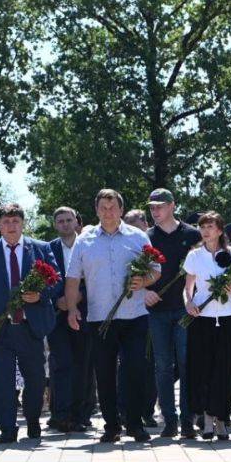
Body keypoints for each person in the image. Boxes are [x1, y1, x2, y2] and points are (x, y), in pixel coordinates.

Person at [65, 189, 160, 443]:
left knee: (135, 371)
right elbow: (73, 277)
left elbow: (155, 270)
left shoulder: (138, 237)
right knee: (104, 373)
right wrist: (73, 308)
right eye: (103, 208)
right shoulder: (84, 241)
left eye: (113, 207)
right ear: (96, 211)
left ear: (120, 210)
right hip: (99, 318)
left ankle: (135, 424)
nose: (108, 212)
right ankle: (111, 425)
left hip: (134, 316)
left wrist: (144, 280)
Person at [0, 203, 59, 443]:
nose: (11, 226)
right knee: (2, 381)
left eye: (16, 222)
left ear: (23, 223)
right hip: (0, 327)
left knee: (36, 379)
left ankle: (32, 422)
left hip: (32, 325)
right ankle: (7, 429)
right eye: (6, 222)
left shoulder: (40, 249)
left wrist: (41, 294)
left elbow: (56, 281)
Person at [143, 188, 200, 438]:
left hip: (185, 310)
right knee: (163, 367)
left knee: (188, 365)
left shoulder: (192, 234)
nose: (156, 211)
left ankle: (188, 420)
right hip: (157, 310)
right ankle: (169, 420)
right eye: (152, 207)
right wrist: (144, 290)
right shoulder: (145, 237)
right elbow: (135, 271)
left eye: (160, 206)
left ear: (172, 206)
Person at [183, 212, 231, 440]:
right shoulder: (194, 255)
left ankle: (222, 420)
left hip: (227, 316)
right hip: (202, 316)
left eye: (210, 226)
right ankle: (207, 418)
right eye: (202, 227)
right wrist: (188, 303)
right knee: (203, 369)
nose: (206, 231)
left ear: (220, 230)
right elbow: (187, 286)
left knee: (224, 368)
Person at [47, 206, 91, 432]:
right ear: (55, 225)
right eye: (60, 221)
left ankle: (80, 414)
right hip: (57, 315)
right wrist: (58, 300)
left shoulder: (88, 245)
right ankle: (61, 414)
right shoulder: (48, 249)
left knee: (82, 364)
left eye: (69, 220)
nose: (65, 224)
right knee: (61, 363)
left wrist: (78, 294)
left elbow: (94, 275)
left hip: (84, 312)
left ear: (77, 221)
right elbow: (41, 277)